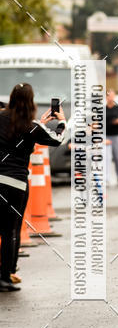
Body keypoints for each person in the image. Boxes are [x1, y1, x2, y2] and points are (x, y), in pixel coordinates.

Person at [0, 83, 65, 291]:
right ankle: (6, 276)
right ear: (31, 101)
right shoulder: (31, 127)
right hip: (16, 184)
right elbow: (57, 139)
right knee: (11, 230)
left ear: (11, 98)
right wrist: (62, 123)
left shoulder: (1, 117)